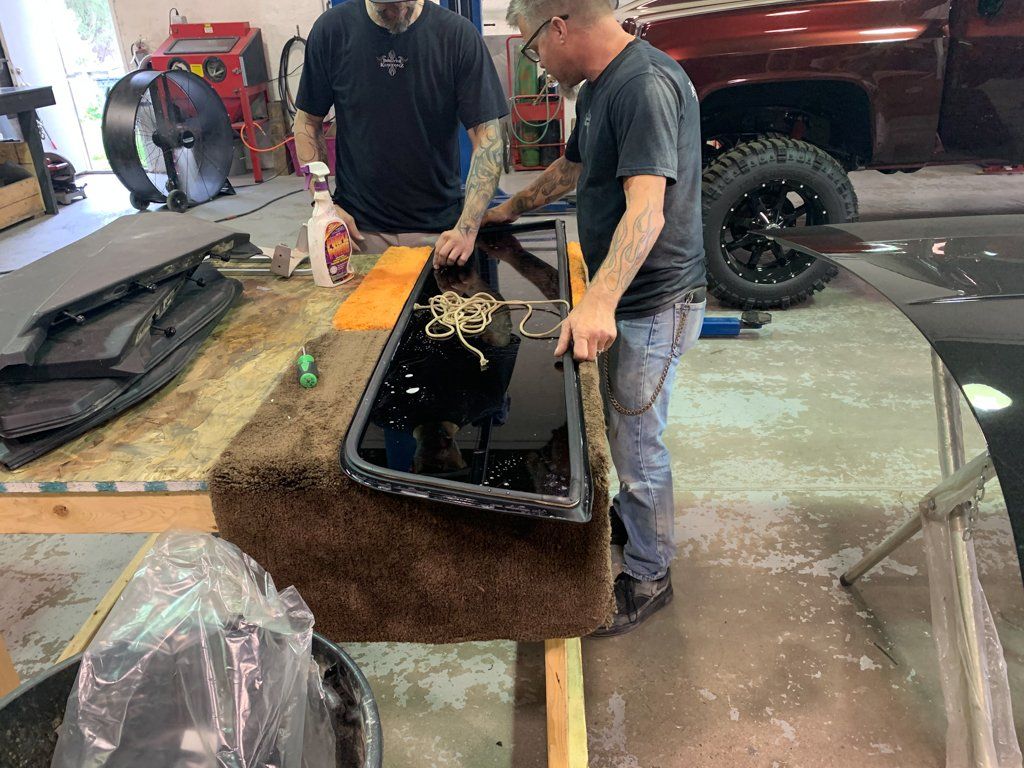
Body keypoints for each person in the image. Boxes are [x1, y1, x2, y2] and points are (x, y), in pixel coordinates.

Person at [487, 0, 707, 636]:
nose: (536, 61)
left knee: (637, 448)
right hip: (632, 296)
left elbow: (647, 210)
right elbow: (574, 166)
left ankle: (649, 572)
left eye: (533, 46)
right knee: (617, 429)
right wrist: (508, 210)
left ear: (559, 27)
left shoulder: (643, 85)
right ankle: (634, 522)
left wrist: (599, 300)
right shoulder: (600, 86)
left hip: (654, 301)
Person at [293, 0, 508, 263]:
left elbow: (487, 139)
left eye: (404, 3)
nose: (397, 12)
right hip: (356, 230)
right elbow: (307, 121)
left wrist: (467, 228)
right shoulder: (332, 31)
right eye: (385, 6)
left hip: (438, 232)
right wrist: (324, 204)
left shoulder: (457, 36)